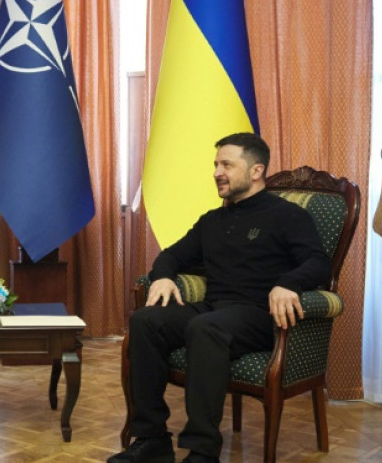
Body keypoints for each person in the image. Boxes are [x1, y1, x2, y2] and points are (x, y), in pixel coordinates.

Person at [108, 133, 331, 463]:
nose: (216, 172)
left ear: (256, 171)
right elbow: (172, 255)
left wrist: (288, 283)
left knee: (205, 327)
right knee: (146, 320)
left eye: (227, 165)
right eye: (216, 165)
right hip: (214, 309)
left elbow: (318, 263)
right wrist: (164, 276)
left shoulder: (288, 216)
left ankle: (203, 451)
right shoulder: (212, 220)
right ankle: (152, 438)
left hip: (258, 314)